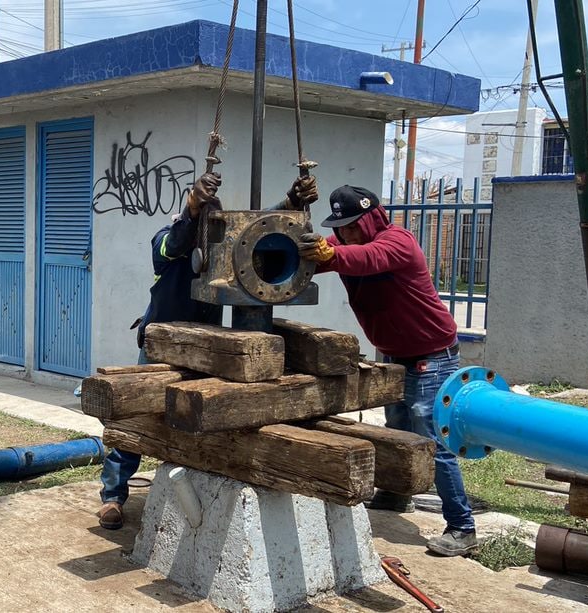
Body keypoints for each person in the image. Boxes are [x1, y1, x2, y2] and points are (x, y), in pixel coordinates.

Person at [97, 172, 319, 530]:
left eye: (214, 225)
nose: (210, 231)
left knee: (202, 416)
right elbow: (177, 241)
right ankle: (112, 496)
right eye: (204, 222)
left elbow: (254, 229)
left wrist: (291, 203)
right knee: (136, 418)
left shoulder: (222, 248)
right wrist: (191, 208)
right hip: (160, 346)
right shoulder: (164, 241)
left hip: (204, 348)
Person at [297, 185, 476, 557]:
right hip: (395, 354)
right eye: (340, 228)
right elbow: (329, 257)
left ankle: (462, 526)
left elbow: (365, 258)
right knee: (396, 431)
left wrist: (333, 253)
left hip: (432, 355)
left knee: (432, 442)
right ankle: (397, 494)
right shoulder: (343, 244)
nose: (344, 234)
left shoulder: (399, 242)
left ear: (371, 217)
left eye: (350, 226)